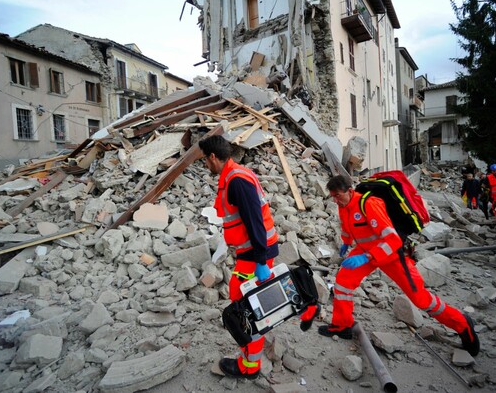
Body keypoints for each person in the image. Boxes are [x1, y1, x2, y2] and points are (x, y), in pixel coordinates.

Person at [198, 135, 319, 379]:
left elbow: (254, 221)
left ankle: (249, 366)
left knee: (244, 305)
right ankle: (308, 308)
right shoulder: (236, 175)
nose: (204, 165)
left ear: (213, 157)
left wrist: (262, 260)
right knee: (260, 296)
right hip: (254, 251)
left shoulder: (236, 181)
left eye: (204, 160)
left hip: (255, 253)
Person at [318, 175, 480, 357]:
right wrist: (347, 242)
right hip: (365, 251)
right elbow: (347, 226)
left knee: (421, 299)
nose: (335, 200)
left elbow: (393, 240)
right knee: (343, 282)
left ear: (350, 191)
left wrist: (368, 256)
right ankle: (342, 325)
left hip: (391, 255)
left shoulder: (369, 204)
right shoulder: (344, 205)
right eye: (332, 196)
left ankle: (462, 324)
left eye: (337, 195)